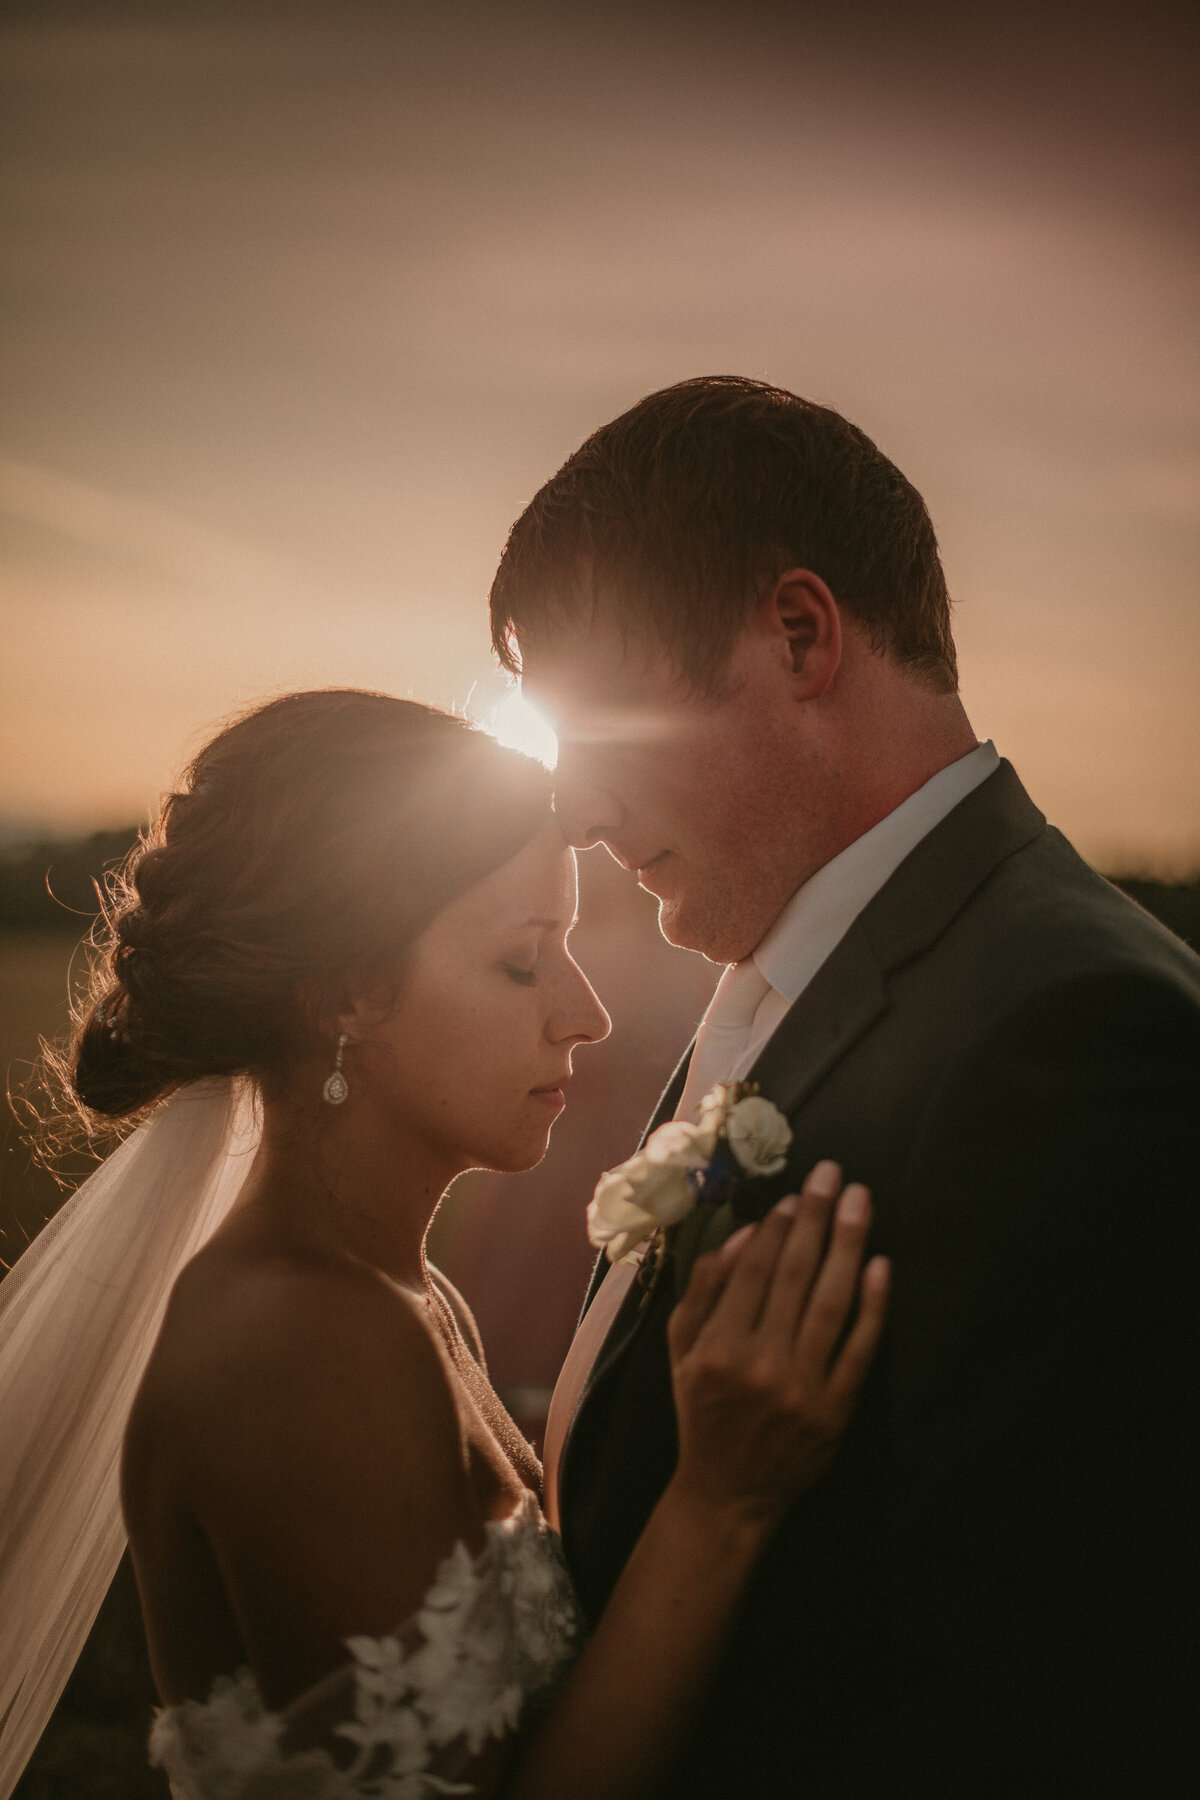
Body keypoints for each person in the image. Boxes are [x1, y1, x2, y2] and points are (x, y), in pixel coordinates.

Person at [489, 375, 1200, 1797]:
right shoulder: (792, 967)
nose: (573, 805)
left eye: (603, 718)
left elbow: (1041, 1724)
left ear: (800, 635)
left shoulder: (1076, 1040)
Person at [0, 688, 889, 1800]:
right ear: (345, 998)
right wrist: (722, 1506)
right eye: (524, 960)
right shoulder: (303, 1343)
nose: (585, 1013)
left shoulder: (404, 1297)